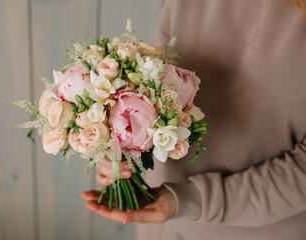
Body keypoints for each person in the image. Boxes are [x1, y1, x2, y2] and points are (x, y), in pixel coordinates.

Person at [81, 0, 306, 239]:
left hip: (259, 228)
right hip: (162, 220)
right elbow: (163, 94)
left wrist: (189, 199)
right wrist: (120, 144)